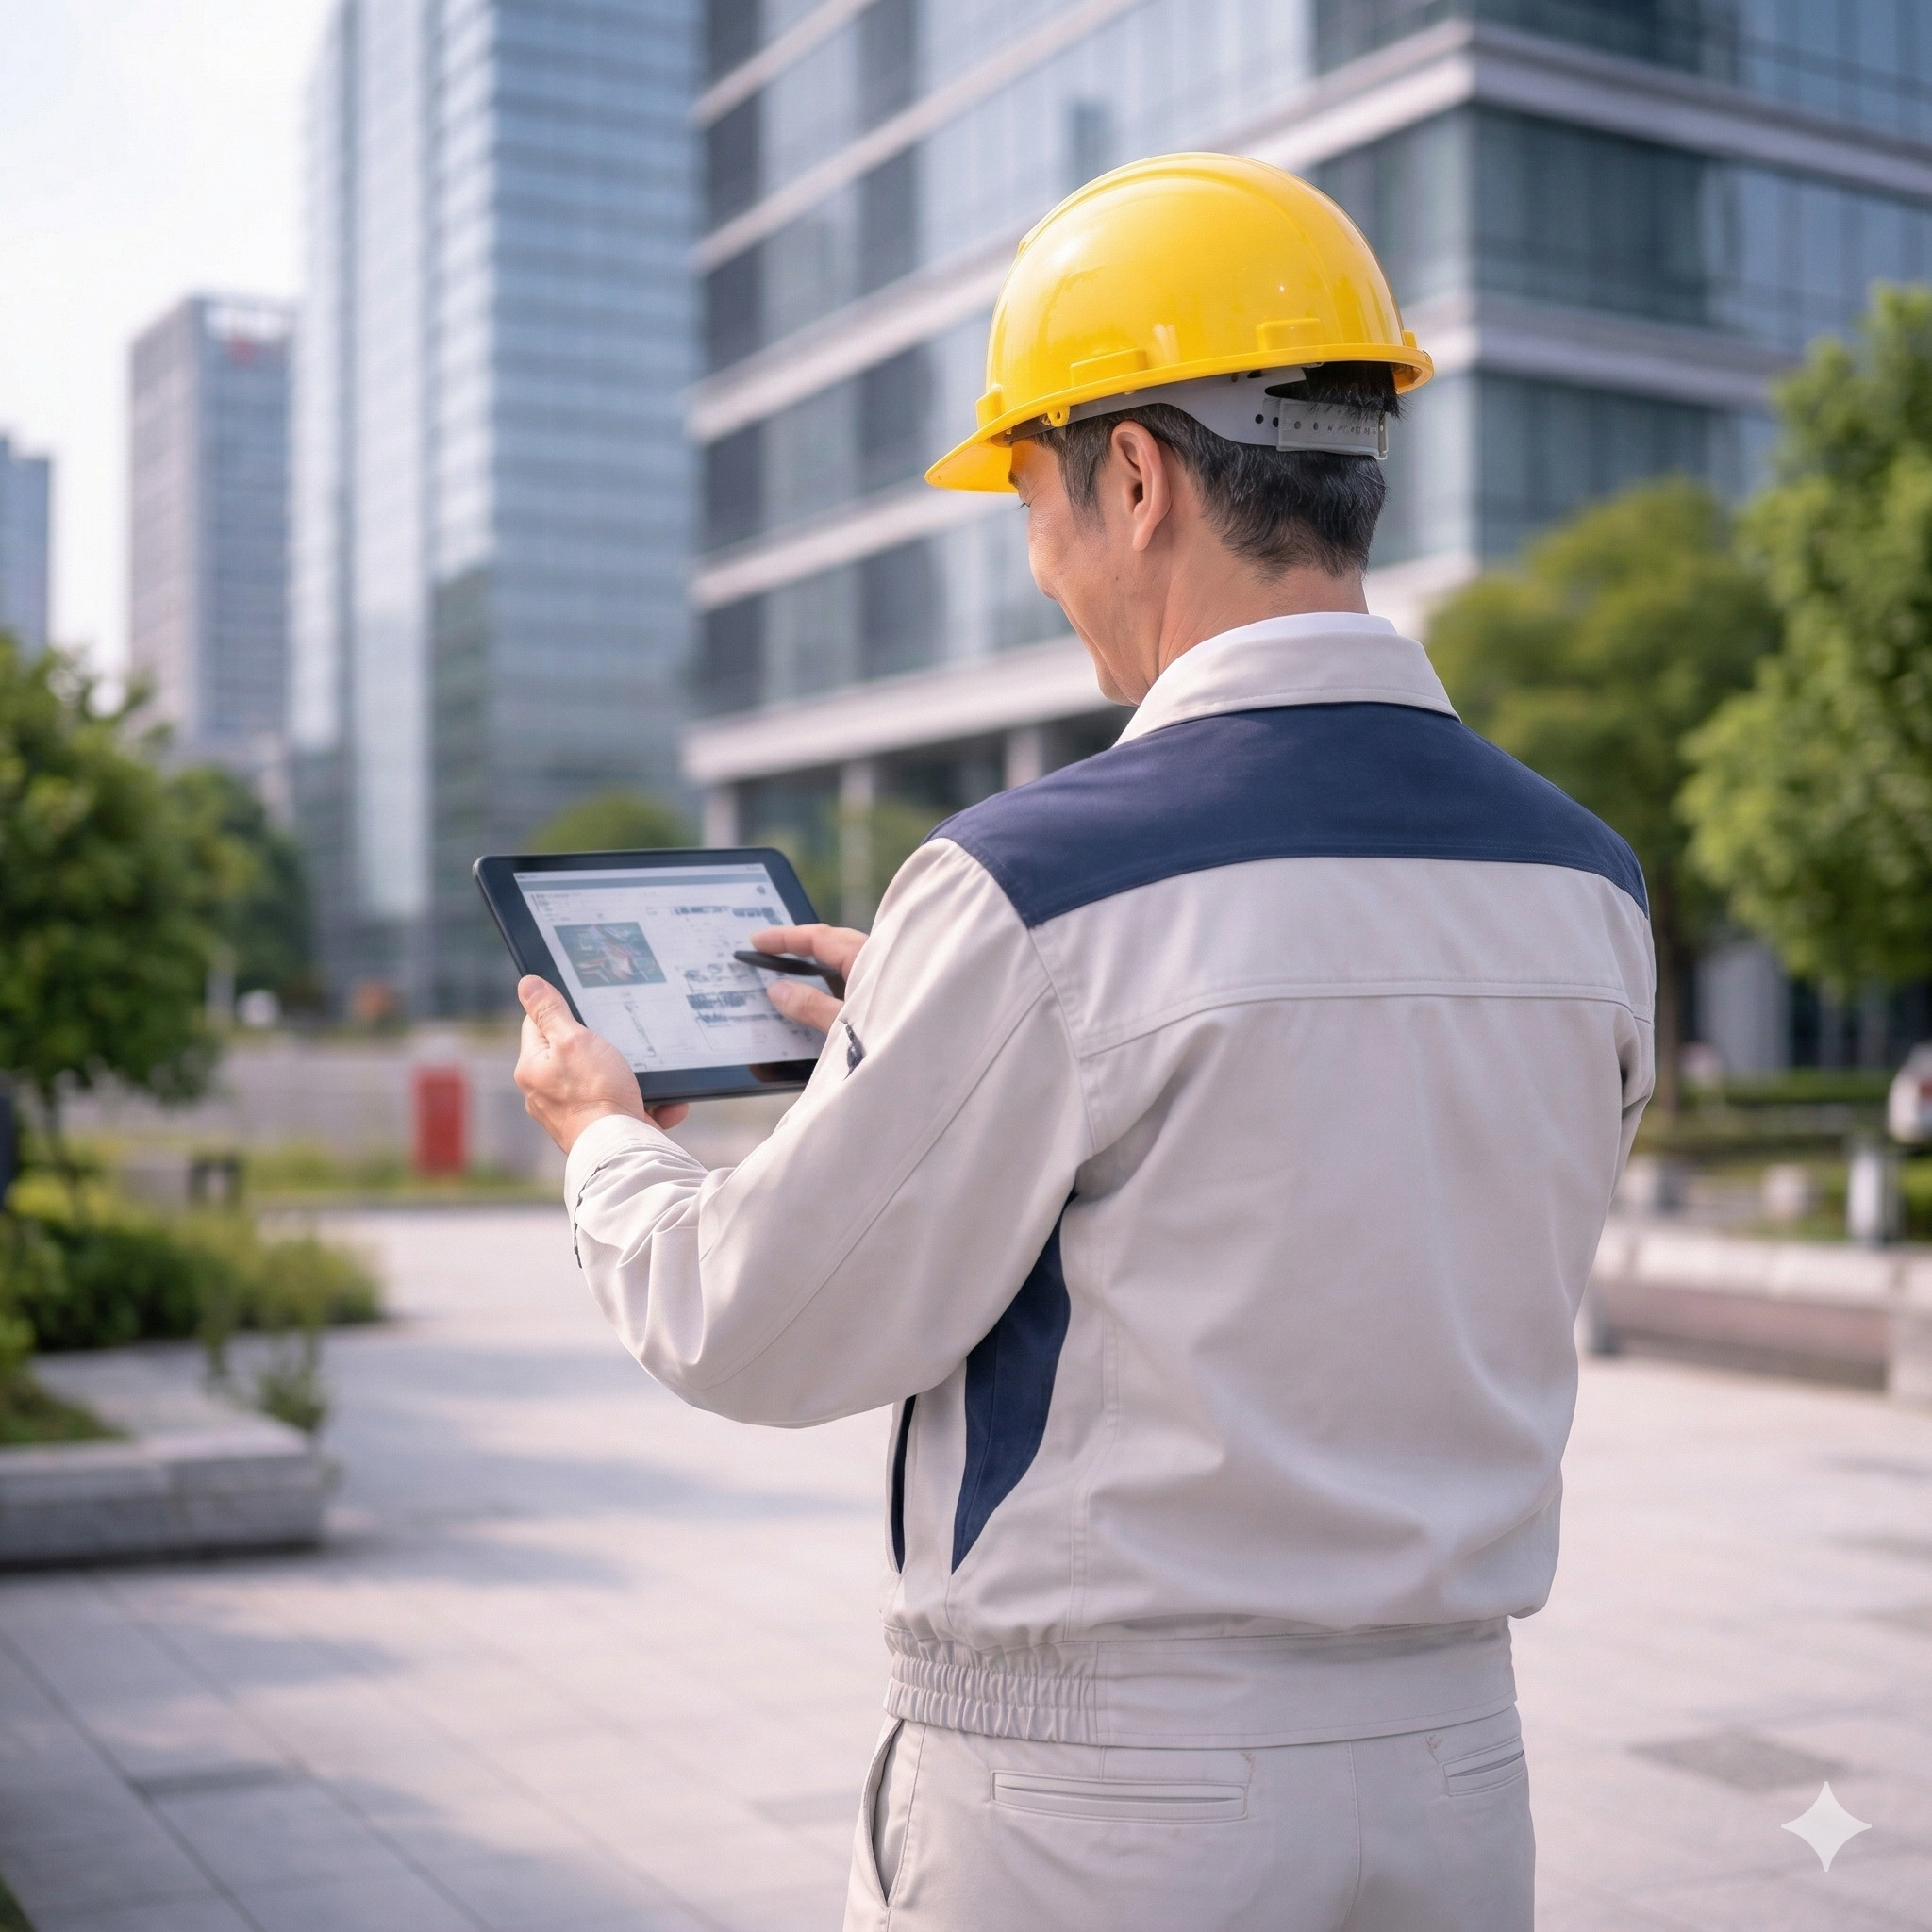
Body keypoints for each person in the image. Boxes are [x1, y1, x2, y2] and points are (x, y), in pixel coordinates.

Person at [513, 154, 1653, 1931]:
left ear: (1133, 480)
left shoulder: (1039, 885)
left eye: (1029, 497)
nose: (1040, 563)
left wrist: (605, 1137)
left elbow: (755, 1322)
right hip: (1456, 1781)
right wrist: (959, 1004)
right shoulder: (1588, 885)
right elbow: (1349, 1142)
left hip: (1106, 1811)